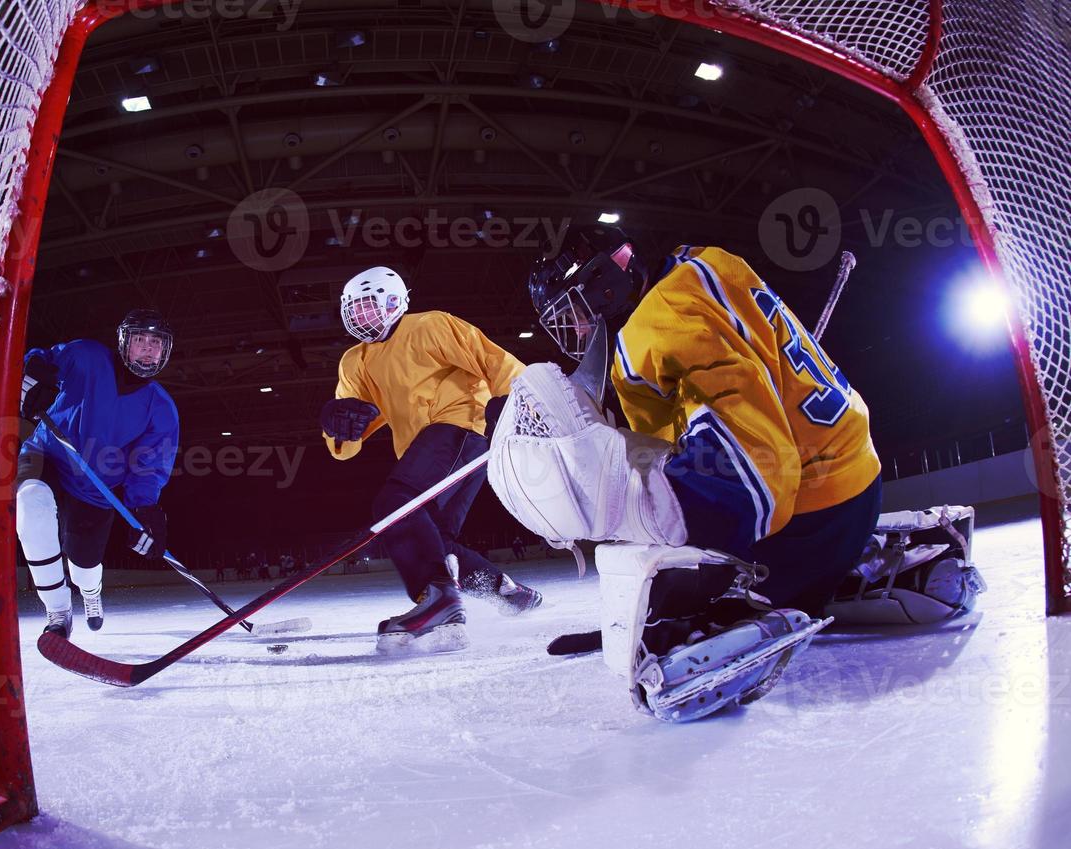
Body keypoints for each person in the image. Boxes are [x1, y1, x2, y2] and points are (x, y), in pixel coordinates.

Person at [487, 225, 882, 718]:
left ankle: (761, 607)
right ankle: (847, 564)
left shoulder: (651, 328)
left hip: (812, 519)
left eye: (574, 312)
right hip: (855, 481)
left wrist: (668, 612)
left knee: (637, 510)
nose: (579, 331)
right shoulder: (706, 261)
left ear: (604, 284)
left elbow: (755, 484)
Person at [321, 266, 543, 653]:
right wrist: (339, 427)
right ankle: (504, 591)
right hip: (426, 451)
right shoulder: (354, 361)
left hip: (459, 427)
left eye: (368, 309)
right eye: (354, 312)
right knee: (433, 537)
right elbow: (347, 440)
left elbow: (493, 360)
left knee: (394, 506)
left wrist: (515, 399)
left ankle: (437, 600)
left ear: (394, 303)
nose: (361, 319)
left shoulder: (430, 326)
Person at [16, 310, 180, 637]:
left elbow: (149, 465)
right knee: (30, 500)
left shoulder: (160, 407)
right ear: (124, 343)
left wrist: (144, 508)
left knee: (84, 564)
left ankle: (91, 594)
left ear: (165, 351)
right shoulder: (85, 355)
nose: (148, 349)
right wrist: (33, 373)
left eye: (155, 343)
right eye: (139, 341)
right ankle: (58, 610)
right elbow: (40, 360)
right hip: (47, 453)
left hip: (95, 486)